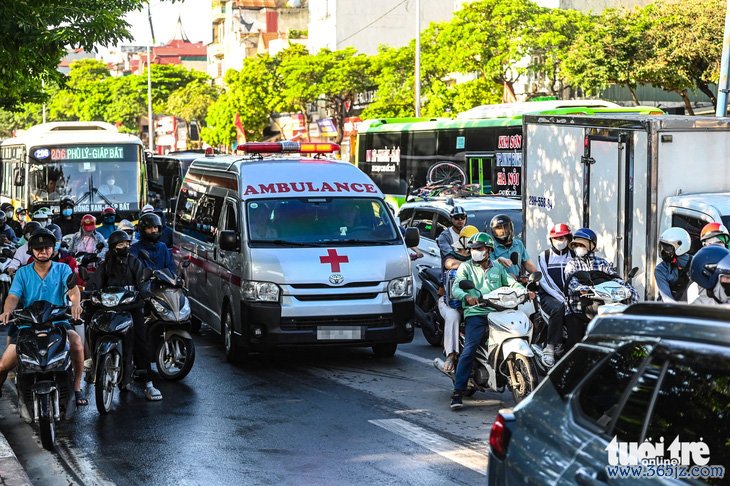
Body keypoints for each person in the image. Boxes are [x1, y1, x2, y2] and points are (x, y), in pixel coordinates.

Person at [0, 229, 87, 406]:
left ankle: (77, 387)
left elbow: (73, 290)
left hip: (57, 321)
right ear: (31, 250)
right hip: (28, 323)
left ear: (53, 249)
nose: (43, 251)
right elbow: (13, 296)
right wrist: (7, 310)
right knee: (3, 364)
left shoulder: (63, 269)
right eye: (38, 248)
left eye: (47, 247)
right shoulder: (22, 273)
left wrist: (76, 304)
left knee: (77, 343)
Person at [449, 232, 522, 410]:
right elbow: (457, 287)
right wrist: (467, 296)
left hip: (498, 312)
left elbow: (511, 283)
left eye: (479, 249)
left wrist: (524, 291)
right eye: (473, 249)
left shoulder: (498, 267)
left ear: (489, 250)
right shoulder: (465, 267)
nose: (476, 252)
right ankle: (458, 392)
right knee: (469, 350)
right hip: (476, 313)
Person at [86, 230, 162, 400]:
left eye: (127, 244)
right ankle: (93, 362)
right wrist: (89, 292)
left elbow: (143, 282)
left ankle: (149, 384)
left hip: (131, 308)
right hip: (108, 309)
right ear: (113, 248)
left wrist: (144, 292)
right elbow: (94, 283)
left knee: (141, 343)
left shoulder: (134, 262)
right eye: (121, 245)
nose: (125, 247)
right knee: (90, 320)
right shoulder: (105, 265)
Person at [563, 228, 639, 351]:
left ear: (591, 245)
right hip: (576, 310)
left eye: (581, 244)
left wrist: (627, 288)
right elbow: (573, 284)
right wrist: (588, 290)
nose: (578, 247)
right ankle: (570, 368)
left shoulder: (602, 263)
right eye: (576, 244)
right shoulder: (572, 264)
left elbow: (615, 278)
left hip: (599, 308)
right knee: (575, 343)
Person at [436, 225, 478, 373]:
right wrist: (472, 265)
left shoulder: (480, 256)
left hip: (473, 301)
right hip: (449, 302)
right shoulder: (453, 255)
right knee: (454, 317)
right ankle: (451, 355)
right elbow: (450, 264)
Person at [535, 223, 575, 367]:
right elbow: (545, 281)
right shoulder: (544, 256)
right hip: (549, 296)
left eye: (563, 237)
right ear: (551, 240)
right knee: (558, 308)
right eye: (557, 238)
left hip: (571, 295)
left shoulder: (574, 255)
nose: (560, 241)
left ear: (569, 238)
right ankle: (550, 347)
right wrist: (562, 298)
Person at [489, 214, 537, 279]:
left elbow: (526, 263)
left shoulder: (518, 244)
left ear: (511, 228)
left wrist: (536, 274)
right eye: (499, 229)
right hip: (499, 282)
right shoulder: (491, 247)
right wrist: (499, 261)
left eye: (505, 228)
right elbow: (490, 267)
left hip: (517, 282)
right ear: (493, 232)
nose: (503, 231)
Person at [654, 227, 692, 303]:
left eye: (667, 248)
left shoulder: (695, 263)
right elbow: (667, 299)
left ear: (681, 246)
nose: (664, 251)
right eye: (663, 247)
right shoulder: (660, 269)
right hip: (670, 310)